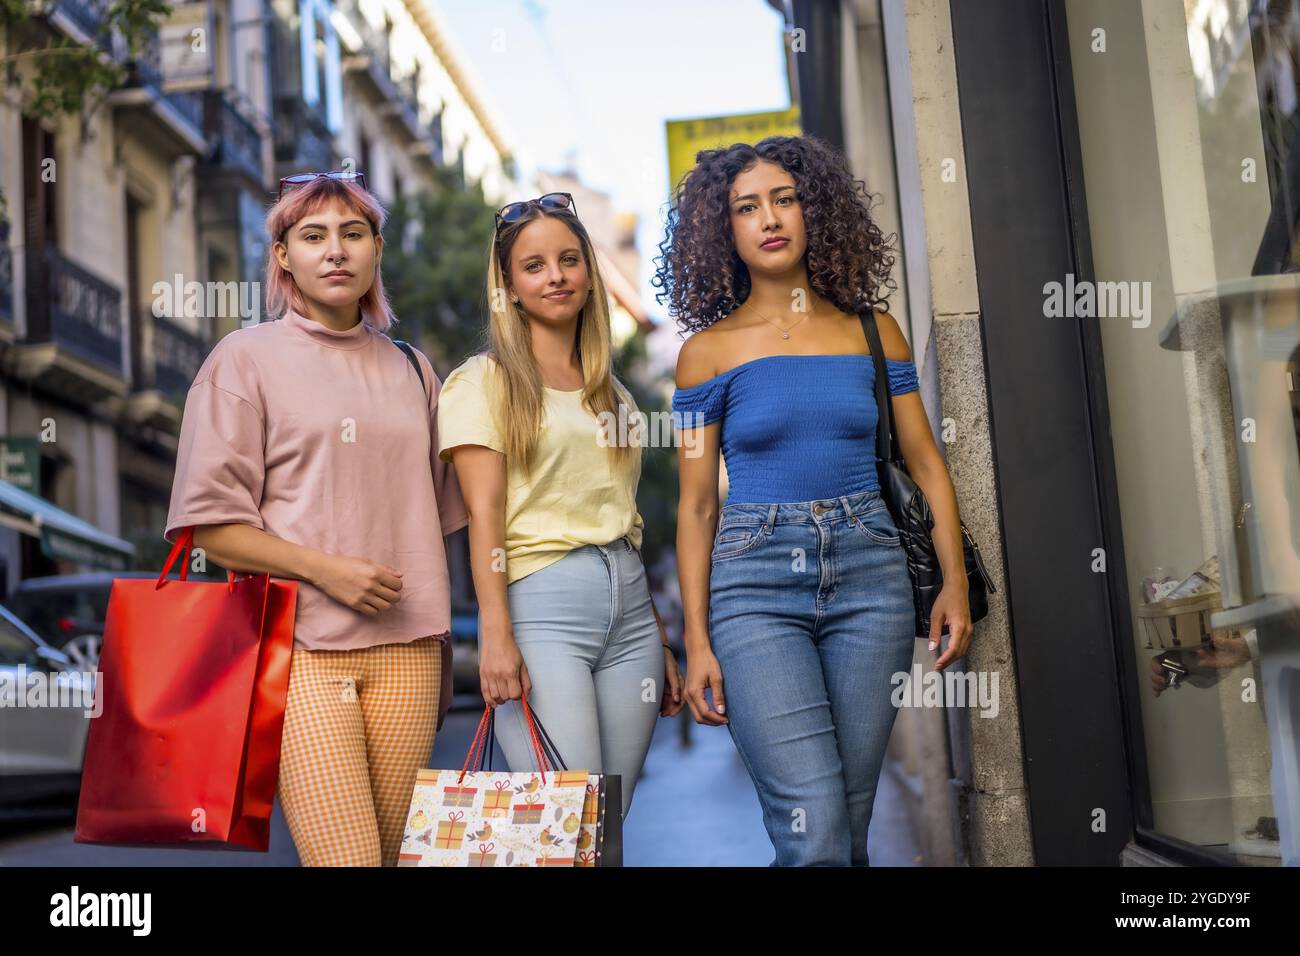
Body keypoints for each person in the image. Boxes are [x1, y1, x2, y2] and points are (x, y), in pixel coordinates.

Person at [657, 135, 975, 866]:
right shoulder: (704, 354)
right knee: (815, 831)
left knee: (848, 828)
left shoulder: (874, 332)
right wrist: (697, 641)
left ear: (814, 212)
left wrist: (953, 582)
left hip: (874, 578)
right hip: (754, 586)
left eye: (784, 198)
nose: (768, 218)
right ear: (723, 231)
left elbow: (926, 463)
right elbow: (698, 506)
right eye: (746, 207)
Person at [164, 171, 467, 866]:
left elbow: (460, 503)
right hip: (296, 651)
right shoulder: (243, 360)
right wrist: (329, 572)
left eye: (353, 234)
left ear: (377, 251)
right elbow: (209, 526)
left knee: (389, 859)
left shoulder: (414, 370)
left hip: (411, 651)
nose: (336, 251)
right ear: (283, 257)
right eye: (313, 236)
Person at [437, 192, 684, 817]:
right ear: (510, 286)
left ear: (588, 273)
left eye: (570, 259)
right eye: (535, 265)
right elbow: (483, 518)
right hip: (541, 609)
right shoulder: (481, 383)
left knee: (608, 824)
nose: (556, 276)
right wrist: (496, 636)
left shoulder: (616, 396)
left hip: (629, 610)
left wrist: (657, 632)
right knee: (569, 820)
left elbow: (627, 524)